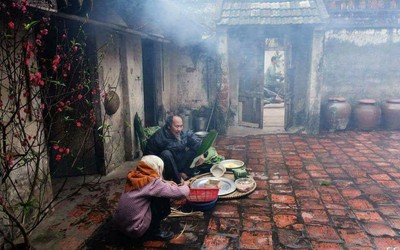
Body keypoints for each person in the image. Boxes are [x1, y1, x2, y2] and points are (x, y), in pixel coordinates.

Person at [113, 155, 190, 241]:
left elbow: (155, 184)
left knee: (160, 191)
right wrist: (185, 185)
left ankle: (148, 228)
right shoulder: (152, 183)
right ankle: (154, 232)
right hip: (135, 230)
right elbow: (182, 193)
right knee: (161, 197)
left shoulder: (134, 177)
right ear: (157, 167)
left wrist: (167, 183)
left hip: (121, 226)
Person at [144, 115, 206, 184]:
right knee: (166, 154)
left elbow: (199, 143)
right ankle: (178, 180)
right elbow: (148, 156)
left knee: (195, 150)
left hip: (180, 162)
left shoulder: (185, 133)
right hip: (167, 168)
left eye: (181, 126)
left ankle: (185, 174)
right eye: (177, 126)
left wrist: (202, 154)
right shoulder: (159, 137)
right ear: (169, 126)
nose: (179, 129)